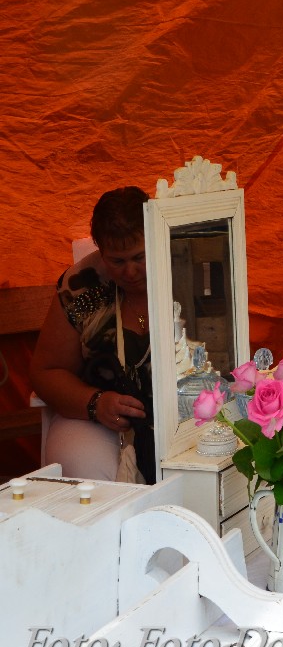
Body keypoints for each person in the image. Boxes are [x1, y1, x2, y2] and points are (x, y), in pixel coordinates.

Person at [30, 187, 156, 483]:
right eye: (117, 261)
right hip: (101, 423)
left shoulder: (191, 269)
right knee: (87, 473)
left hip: (184, 418)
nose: (130, 271)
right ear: (100, 249)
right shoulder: (80, 287)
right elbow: (46, 371)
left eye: (139, 257)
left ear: (157, 236)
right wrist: (95, 403)